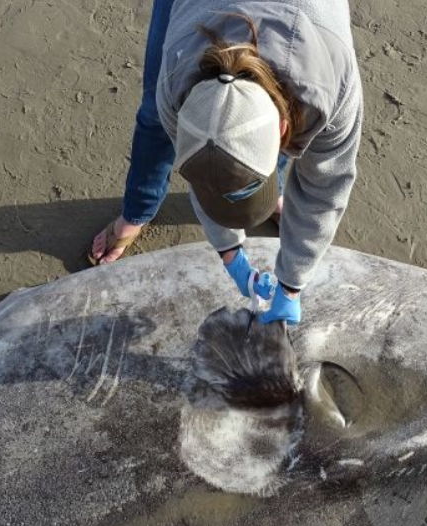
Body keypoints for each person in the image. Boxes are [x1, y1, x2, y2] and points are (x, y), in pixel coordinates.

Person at [87, 0, 362, 326]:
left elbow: (324, 192)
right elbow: (205, 171)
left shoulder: (331, 84)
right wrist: (230, 255)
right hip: (197, 14)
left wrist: (291, 285)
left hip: (307, 23)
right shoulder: (177, 73)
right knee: (153, 118)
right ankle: (139, 209)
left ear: (283, 128)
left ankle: (263, 191)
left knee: (254, 142)